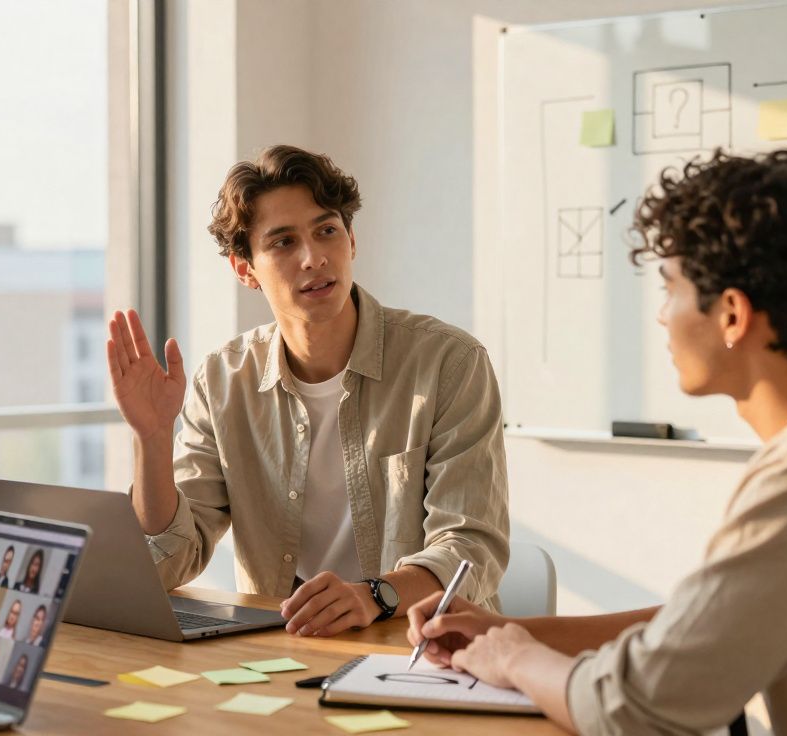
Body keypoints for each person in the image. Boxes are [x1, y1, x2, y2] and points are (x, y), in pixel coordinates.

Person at [405, 150, 787, 734]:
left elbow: (635, 708)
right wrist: (512, 633)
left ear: (732, 316)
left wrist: (514, 658)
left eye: (670, 289)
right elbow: (706, 628)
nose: (663, 317)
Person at [107, 144, 510, 637]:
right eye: (282, 243)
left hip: (428, 649)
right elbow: (168, 563)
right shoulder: (221, 382)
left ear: (352, 240)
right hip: (287, 649)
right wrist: (151, 438)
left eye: (326, 231)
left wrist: (374, 595)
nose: (314, 258)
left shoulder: (449, 363)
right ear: (244, 269)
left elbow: (471, 547)